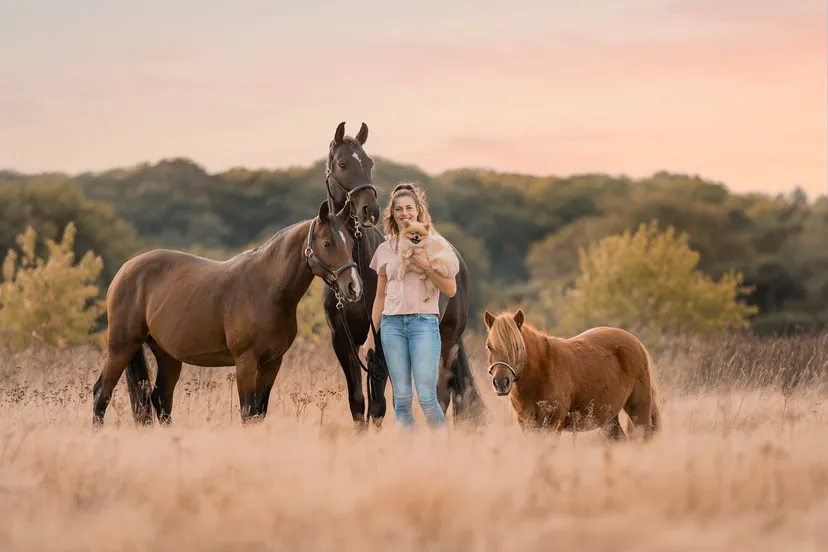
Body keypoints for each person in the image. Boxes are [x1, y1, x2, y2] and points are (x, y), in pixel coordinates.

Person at [360, 182, 460, 429]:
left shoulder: (434, 244)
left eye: (409, 208)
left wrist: (426, 265)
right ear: (392, 214)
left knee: (426, 396)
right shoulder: (384, 249)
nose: (404, 213)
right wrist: (370, 337)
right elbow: (380, 296)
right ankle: (407, 457)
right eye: (398, 209)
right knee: (402, 398)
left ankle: (444, 451)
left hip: (423, 324)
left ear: (418, 210)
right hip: (392, 325)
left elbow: (450, 289)